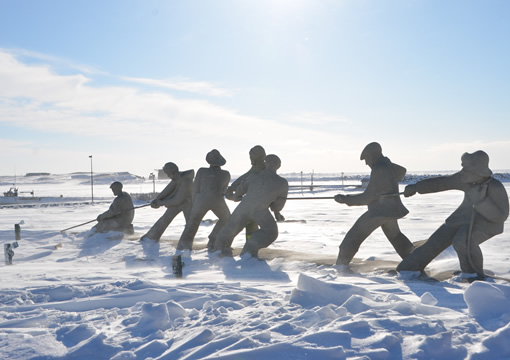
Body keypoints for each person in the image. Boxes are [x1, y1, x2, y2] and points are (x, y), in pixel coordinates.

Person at [397, 150, 509, 280]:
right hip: (461, 219)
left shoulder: (495, 186)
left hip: (486, 224)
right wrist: (417, 187)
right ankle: (409, 268)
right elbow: (443, 182)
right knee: (436, 241)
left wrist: (480, 201)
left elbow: (501, 216)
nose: (462, 173)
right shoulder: (464, 178)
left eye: (466, 170)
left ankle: (472, 275)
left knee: (463, 241)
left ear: (477, 172)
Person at [334, 142, 414, 266]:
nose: (366, 163)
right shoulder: (386, 166)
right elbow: (402, 171)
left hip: (380, 212)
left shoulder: (379, 169)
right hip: (391, 210)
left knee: (352, 238)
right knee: (396, 237)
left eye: (367, 159)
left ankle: (340, 267)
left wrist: (345, 199)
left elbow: (368, 197)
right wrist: (388, 163)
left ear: (374, 155)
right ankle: (414, 263)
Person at [212, 154, 289, 257]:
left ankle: (219, 250)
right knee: (271, 232)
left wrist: (236, 196)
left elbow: (241, 189)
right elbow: (277, 207)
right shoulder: (282, 183)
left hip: (244, 207)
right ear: (278, 166)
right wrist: (273, 206)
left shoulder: (255, 176)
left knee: (230, 228)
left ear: (265, 164)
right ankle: (249, 251)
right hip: (260, 210)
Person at [176, 149, 231, 251]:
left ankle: (184, 244)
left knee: (193, 221)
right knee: (227, 219)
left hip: (201, 200)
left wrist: (194, 202)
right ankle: (214, 239)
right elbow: (224, 190)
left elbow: (196, 188)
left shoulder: (202, 171)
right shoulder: (226, 174)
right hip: (218, 200)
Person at [140, 162, 194, 242]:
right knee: (165, 218)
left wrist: (161, 202)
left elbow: (177, 200)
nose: (168, 176)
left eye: (168, 174)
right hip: (178, 204)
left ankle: (186, 243)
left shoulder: (186, 181)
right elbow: (168, 190)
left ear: (173, 171)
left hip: (188, 203)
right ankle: (151, 237)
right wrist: (157, 200)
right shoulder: (176, 178)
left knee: (191, 223)